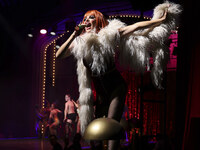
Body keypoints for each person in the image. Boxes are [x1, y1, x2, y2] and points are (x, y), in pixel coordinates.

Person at [56, 2, 181, 150]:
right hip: (101, 91)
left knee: (111, 124)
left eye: (91, 18)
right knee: (96, 128)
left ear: (98, 20)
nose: (87, 21)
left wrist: (158, 21)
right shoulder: (80, 42)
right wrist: (74, 34)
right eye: (85, 18)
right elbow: (59, 55)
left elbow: (136, 27)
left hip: (116, 86)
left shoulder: (109, 35)